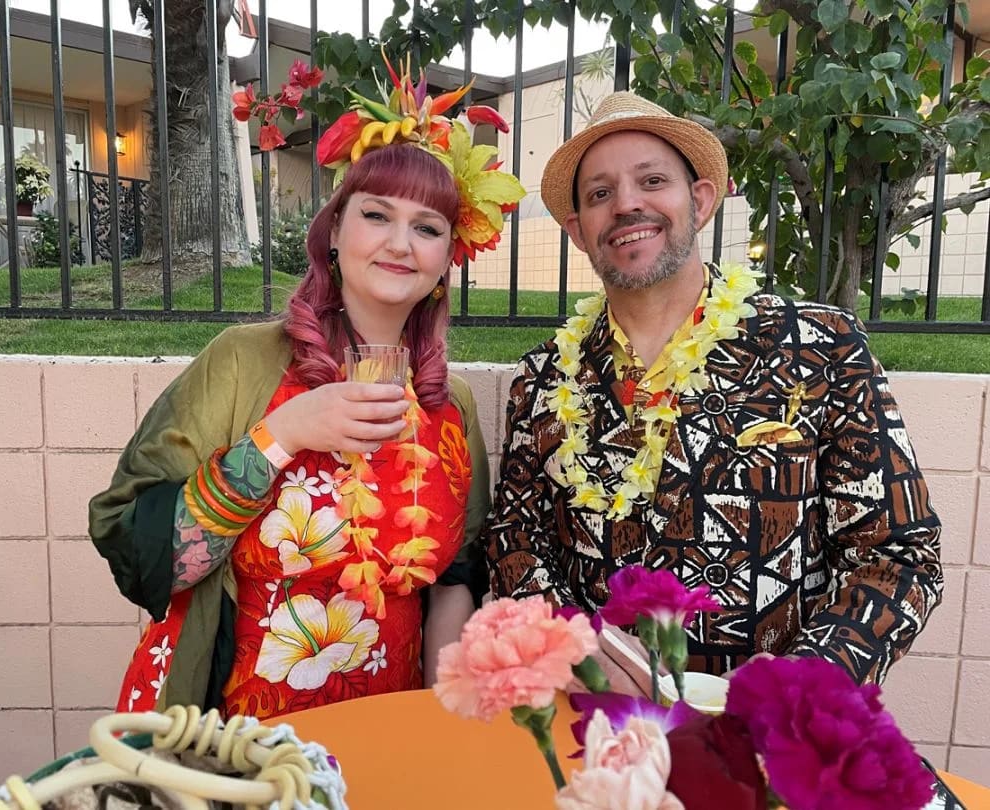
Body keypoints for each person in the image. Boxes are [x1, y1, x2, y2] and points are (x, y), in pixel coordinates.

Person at [89, 81, 524, 718]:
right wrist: (283, 436)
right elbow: (138, 550)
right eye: (376, 215)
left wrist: (439, 723)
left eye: (427, 227)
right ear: (334, 231)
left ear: (446, 258)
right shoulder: (244, 362)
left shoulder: (448, 405)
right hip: (241, 734)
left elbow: (456, 576)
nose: (400, 243)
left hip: (387, 732)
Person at [483, 91, 943, 688]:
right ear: (578, 230)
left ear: (700, 201)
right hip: (595, 719)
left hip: (765, 728)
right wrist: (572, 654)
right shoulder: (544, 377)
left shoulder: (819, 347)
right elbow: (514, 543)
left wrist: (803, 682)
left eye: (652, 181)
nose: (627, 204)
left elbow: (899, 556)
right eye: (599, 194)